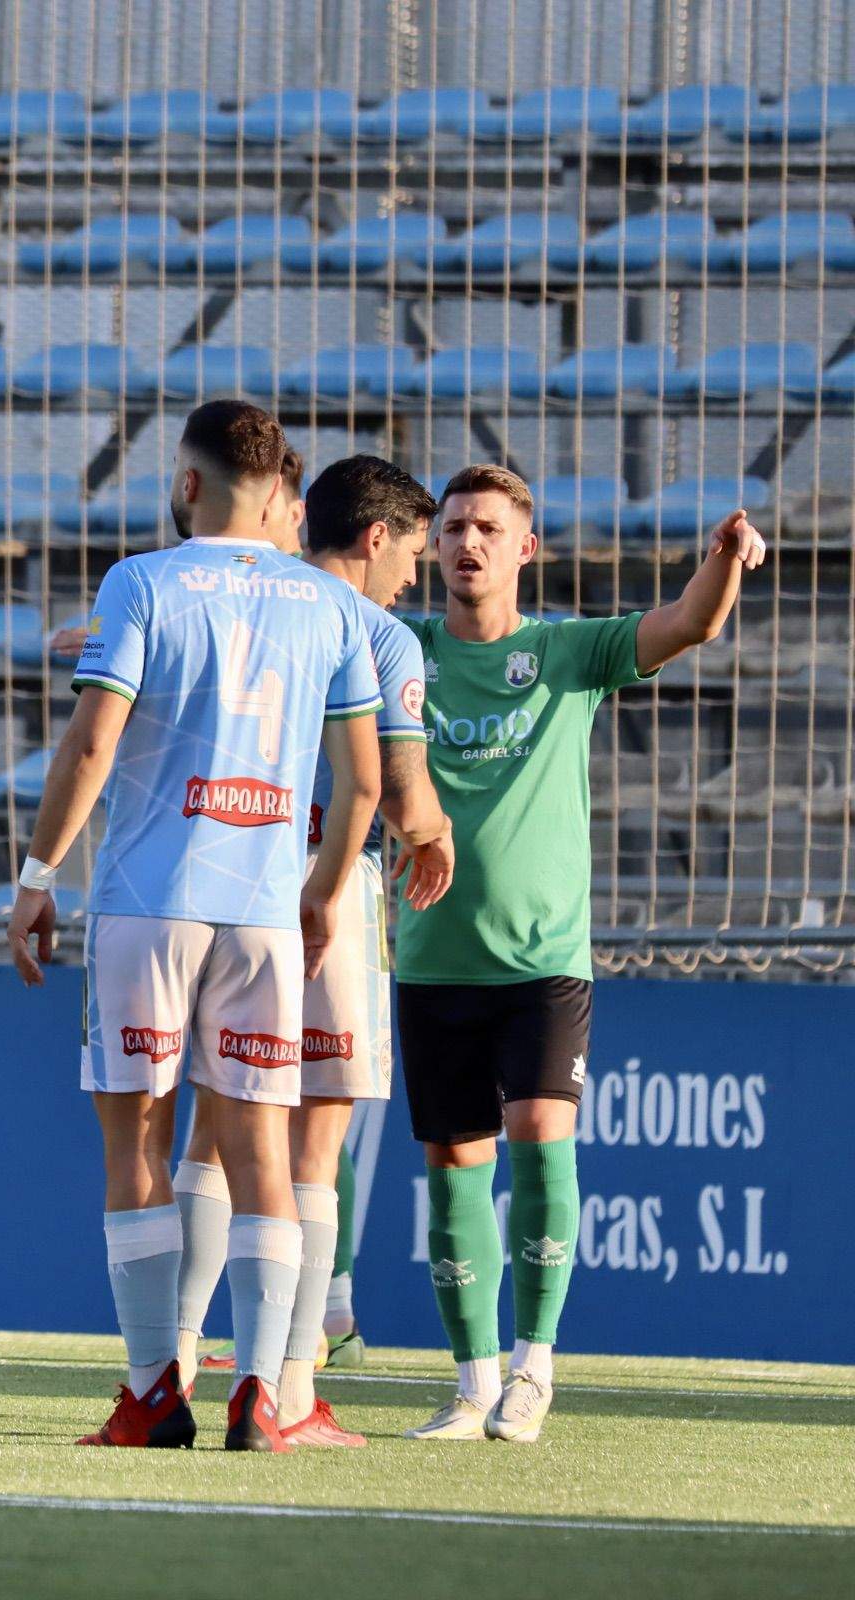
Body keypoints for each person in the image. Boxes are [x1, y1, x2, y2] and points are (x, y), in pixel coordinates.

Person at [7, 400, 382, 1453]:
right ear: (277, 492)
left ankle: (151, 1392)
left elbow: (90, 748)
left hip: (144, 904)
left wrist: (39, 876)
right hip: (266, 913)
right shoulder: (325, 604)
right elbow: (360, 783)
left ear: (187, 485)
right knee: (262, 1148)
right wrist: (321, 892)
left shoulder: (142, 582)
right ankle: (266, 1394)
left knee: (139, 1143)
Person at [398, 465, 764, 1444]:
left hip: (543, 962)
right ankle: (470, 1384)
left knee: (540, 1136)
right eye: (451, 528)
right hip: (432, 959)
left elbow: (690, 622)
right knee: (452, 1163)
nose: (466, 543)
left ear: (525, 548)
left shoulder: (567, 651)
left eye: (487, 528)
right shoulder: (403, 651)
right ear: (431, 547)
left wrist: (724, 561)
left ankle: (532, 1370)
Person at [170, 454, 454, 1447]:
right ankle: (289, 1388)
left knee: (214, 1130)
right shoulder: (374, 634)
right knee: (313, 1146)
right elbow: (399, 786)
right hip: (320, 888)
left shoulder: (242, 600)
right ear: (375, 537)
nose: (415, 576)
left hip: (218, 876)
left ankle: (167, 1366)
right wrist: (434, 831)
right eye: (414, 551)